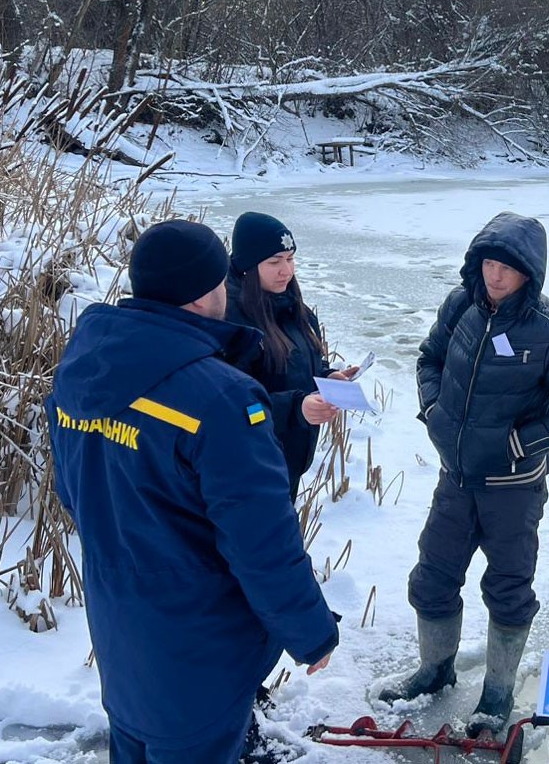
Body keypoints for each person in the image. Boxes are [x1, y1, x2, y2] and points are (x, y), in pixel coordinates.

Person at [46, 220, 338, 764]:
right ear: (209, 293)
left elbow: (73, 493)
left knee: (133, 742)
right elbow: (260, 541)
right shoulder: (222, 398)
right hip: (197, 644)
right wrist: (311, 631)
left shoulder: (81, 370)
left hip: (120, 625)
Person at [380, 211, 549, 737]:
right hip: (456, 477)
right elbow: (429, 359)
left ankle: (497, 691)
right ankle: (434, 670)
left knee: (509, 588)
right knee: (432, 578)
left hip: (513, 491)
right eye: (489, 264)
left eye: (508, 268)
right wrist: (433, 411)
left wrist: (519, 443)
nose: (496, 277)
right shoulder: (461, 305)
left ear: (530, 275)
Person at [225, 211, 358, 502]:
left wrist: (326, 377)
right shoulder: (231, 321)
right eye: (274, 262)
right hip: (246, 471)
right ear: (248, 266)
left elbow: (295, 368)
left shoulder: (293, 309)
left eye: (290, 258)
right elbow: (232, 408)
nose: (287, 270)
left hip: (287, 462)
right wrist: (297, 408)